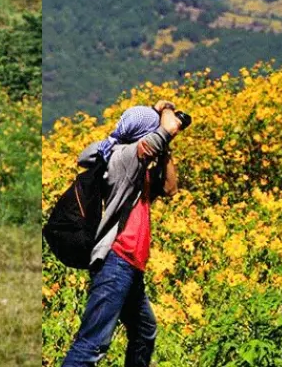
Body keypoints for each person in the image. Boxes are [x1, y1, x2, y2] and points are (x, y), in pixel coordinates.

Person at [62, 102, 185, 367]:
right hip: (116, 262)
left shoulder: (137, 171)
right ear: (143, 134)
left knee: (144, 332)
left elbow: (171, 188)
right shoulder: (126, 157)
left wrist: (166, 151)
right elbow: (170, 126)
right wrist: (165, 108)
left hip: (129, 267)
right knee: (92, 344)